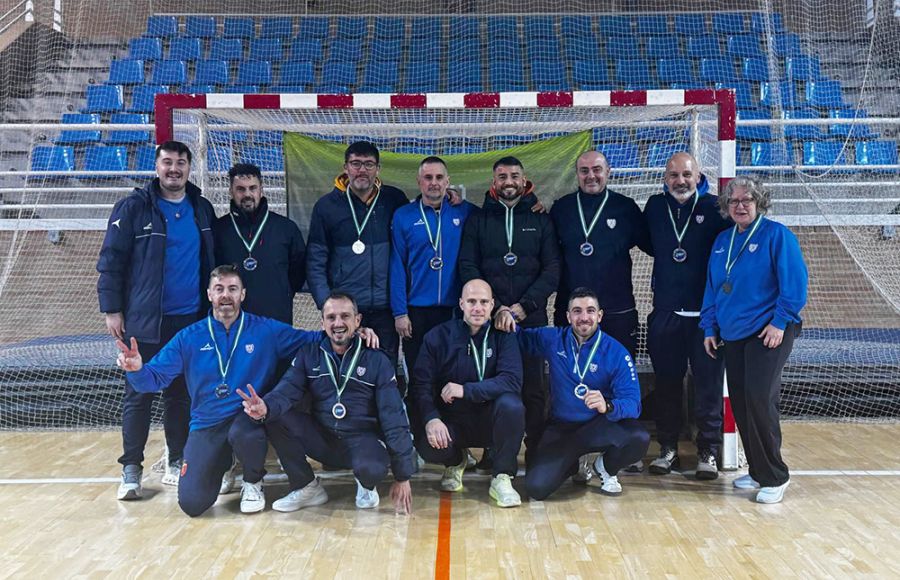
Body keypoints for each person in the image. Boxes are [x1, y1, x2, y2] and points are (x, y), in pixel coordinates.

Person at [114, 266, 378, 515]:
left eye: (232, 288)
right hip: (207, 424)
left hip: (246, 418)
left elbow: (313, 338)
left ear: (243, 294)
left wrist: (355, 331)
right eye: (219, 289)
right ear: (209, 295)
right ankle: (222, 462)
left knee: (248, 432)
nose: (225, 295)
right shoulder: (189, 337)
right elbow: (154, 379)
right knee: (192, 504)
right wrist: (137, 369)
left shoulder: (265, 330)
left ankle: (253, 481)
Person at [97, 140, 216, 498]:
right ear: (157, 166)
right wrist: (112, 309)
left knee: (180, 395)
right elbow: (111, 260)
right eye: (167, 162)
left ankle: (178, 458)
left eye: (181, 163)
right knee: (139, 393)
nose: (174, 169)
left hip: (190, 321)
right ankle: (131, 470)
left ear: (189, 168)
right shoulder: (133, 207)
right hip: (146, 321)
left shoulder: (202, 208)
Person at [238, 292, 415, 514]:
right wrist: (266, 408)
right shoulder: (308, 355)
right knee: (277, 415)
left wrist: (403, 476)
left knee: (371, 468)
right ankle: (306, 486)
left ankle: (366, 485)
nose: (338, 323)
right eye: (331, 318)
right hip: (323, 439)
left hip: (363, 441)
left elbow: (394, 418)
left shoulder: (377, 360)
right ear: (322, 322)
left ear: (357, 320)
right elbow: (286, 391)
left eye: (345, 316)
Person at [700, 176, 808, 504]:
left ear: (759, 202)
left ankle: (775, 475)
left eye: (747, 200)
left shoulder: (777, 235)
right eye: (734, 201)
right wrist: (709, 327)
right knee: (743, 402)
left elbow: (795, 285)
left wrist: (779, 322)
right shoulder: (722, 241)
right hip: (733, 334)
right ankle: (759, 470)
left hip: (769, 331)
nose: (741, 206)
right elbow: (713, 288)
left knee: (760, 399)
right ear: (726, 206)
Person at [496, 287, 649, 500]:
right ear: (568, 316)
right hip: (562, 428)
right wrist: (500, 315)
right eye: (577, 311)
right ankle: (572, 464)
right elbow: (518, 337)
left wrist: (609, 405)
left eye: (590, 311)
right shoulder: (553, 339)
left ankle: (605, 467)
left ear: (600, 315)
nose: (584, 317)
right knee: (536, 488)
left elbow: (634, 404)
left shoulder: (616, 353)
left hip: (599, 425)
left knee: (639, 437)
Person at [459, 156, 559, 467]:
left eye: (514, 175)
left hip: (532, 319)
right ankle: (493, 448)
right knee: (492, 385)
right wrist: (497, 308)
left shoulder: (541, 219)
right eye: (502, 176)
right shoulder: (478, 219)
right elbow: (468, 266)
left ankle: (536, 448)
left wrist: (523, 307)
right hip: (490, 321)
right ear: (494, 181)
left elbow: (553, 269)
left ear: (524, 178)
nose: (508, 182)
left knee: (533, 389)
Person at [642, 153, 731, 479]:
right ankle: (667, 448)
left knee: (708, 386)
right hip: (666, 314)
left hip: (707, 319)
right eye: (674, 175)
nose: (680, 181)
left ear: (698, 176)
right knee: (666, 385)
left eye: (686, 175)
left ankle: (708, 449)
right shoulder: (654, 207)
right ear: (665, 178)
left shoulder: (714, 209)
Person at [409, 279, 525, 507]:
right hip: (454, 421)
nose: (477, 308)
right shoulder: (437, 337)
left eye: (483, 302)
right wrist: (432, 419)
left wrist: (465, 390)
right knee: (426, 443)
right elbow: (420, 385)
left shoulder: (504, 335)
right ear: (461, 303)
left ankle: (502, 476)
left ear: (492, 305)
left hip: (491, 420)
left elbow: (511, 381)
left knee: (512, 405)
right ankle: (456, 461)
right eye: (471, 301)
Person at [306, 141, 409, 369]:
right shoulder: (326, 207)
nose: (362, 170)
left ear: (378, 169)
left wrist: (448, 196)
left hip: (384, 308)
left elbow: (419, 213)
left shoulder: (394, 200)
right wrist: (328, 307)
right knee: (343, 371)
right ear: (345, 167)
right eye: (356, 164)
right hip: (345, 312)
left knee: (384, 371)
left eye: (369, 164)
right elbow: (315, 262)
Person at [549, 150, 651, 358]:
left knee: (618, 373)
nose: (591, 176)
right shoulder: (561, 208)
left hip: (617, 309)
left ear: (608, 171)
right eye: (584, 171)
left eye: (597, 170)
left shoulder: (625, 207)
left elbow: (654, 245)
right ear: (577, 174)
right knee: (573, 374)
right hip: (573, 310)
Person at [390, 156, 476, 378]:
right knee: (419, 374)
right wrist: (400, 312)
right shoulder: (403, 216)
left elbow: (497, 211)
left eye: (439, 177)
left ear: (448, 182)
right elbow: (397, 265)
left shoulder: (465, 212)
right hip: (416, 311)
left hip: (454, 310)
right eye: (428, 177)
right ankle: (419, 414)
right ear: (419, 181)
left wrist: (533, 201)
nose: (434, 182)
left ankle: (450, 414)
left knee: (452, 373)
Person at [213, 163, 306, 325]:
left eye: (252, 188)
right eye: (240, 189)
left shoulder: (285, 228)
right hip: (232, 322)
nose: (247, 194)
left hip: (276, 320)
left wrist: (280, 293)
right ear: (231, 192)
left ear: (261, 190)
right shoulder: (218, 230)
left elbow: (298, 272)